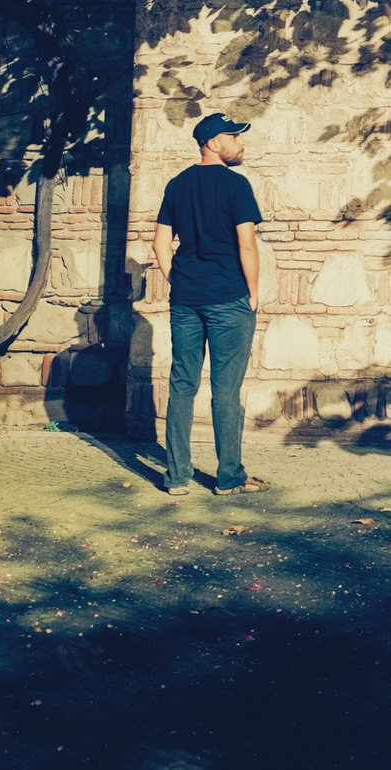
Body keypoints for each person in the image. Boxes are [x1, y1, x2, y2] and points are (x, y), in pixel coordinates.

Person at [151, 111, 269, 496]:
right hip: (228, 299)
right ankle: (229, 477)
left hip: (186, 301)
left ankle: (176, 478)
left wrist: (179, 281)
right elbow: (246, 244)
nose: (241, 142)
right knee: (226, 391)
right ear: (213, 143)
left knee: (182, 386)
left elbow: (160, 244)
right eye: (234, 136)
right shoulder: (236, 185)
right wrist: (253, 292)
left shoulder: (177, 185)